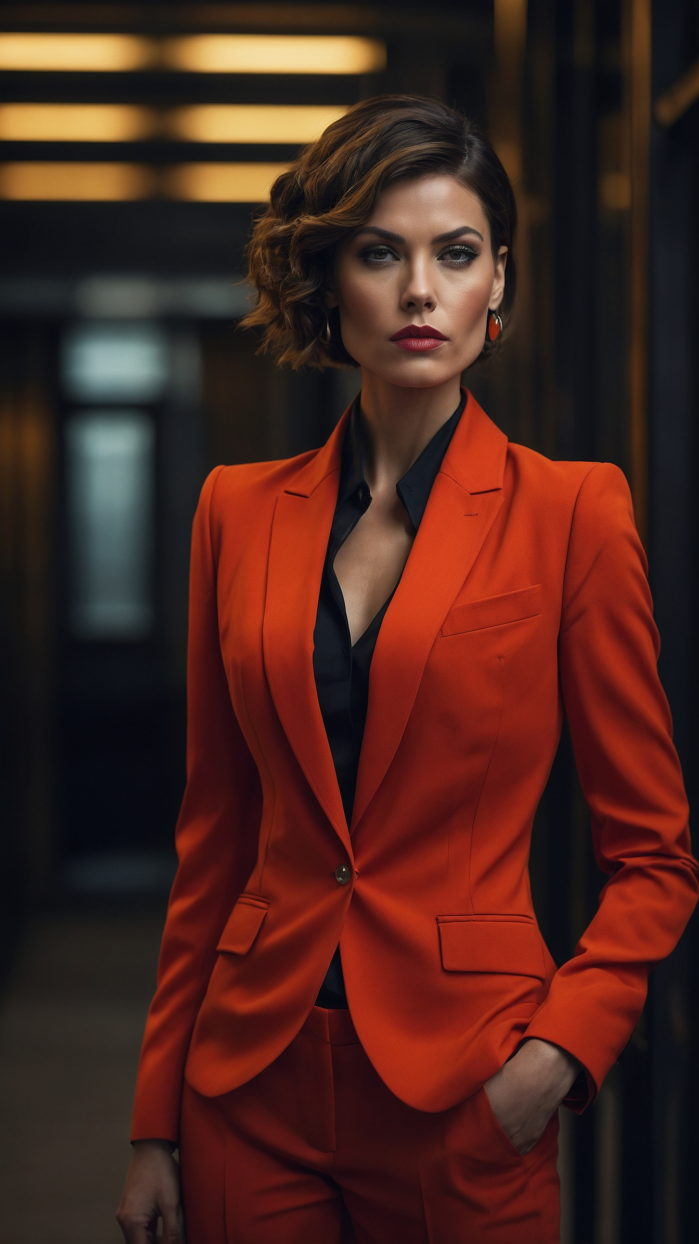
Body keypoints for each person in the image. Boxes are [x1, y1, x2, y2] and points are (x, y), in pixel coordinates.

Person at [117, 96, 697, 1244]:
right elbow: (216, 833)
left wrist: (555, 1057)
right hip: (250, 1081)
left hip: (467, 1088)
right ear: (332, 282)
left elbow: (655, 857)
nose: (420, 289)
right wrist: (154, 1119)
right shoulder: (234, 510)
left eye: (457, 253)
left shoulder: (575, 512)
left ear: (501, 288)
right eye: (383, 253)